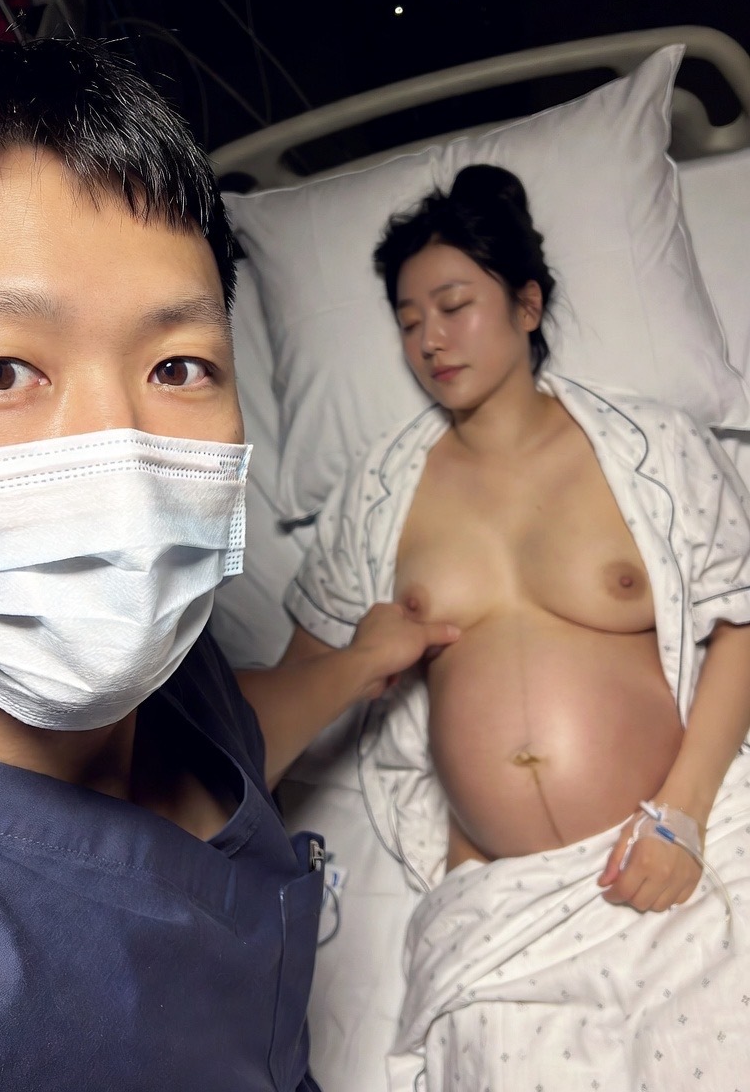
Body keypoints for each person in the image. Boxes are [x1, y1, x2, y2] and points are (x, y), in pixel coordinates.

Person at [0, 37, 456, 1092]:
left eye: (179, 366)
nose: (124, 473)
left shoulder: (164, 664)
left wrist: (360, 662)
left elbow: (233, 735)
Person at [262, 164, 750, 1090]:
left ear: (527, 305)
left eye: (454, 306)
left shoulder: (653, 449)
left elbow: (743, 621)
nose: (430, 340)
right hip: (499, 906)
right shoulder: (378, 494)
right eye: (409, 321)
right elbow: (285, 699)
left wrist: (683, 816)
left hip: (679, 849)